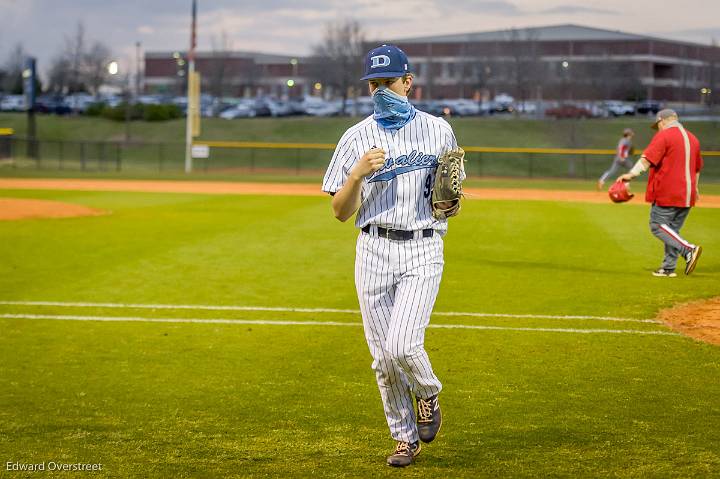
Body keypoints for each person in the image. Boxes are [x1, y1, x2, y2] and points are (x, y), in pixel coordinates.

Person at [322, 44, 462, 468]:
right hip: (373, 248)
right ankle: (404, 439)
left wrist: (451, 203)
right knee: (383, 359)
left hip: (423, 246)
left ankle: (429, 391)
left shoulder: (439, 131)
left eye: (389, 82)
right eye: (375, 83)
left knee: (403, 343)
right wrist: (356, 174)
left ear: (408, 82)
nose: (382, 90)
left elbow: (449, 197)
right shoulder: (355, 138)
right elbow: (340, 212)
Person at [617, 109, 703, 277]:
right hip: (688, 193)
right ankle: (668, 268)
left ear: (662, 121)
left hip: (668, 191)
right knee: (671, 231)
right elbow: (697, 168)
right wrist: (695, 188)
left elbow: (646, 159)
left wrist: (630, 175)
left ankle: (689, 250)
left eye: (658, 125)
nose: (658, 128)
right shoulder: (693, 138)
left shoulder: (664, 136)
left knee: (657, 226)